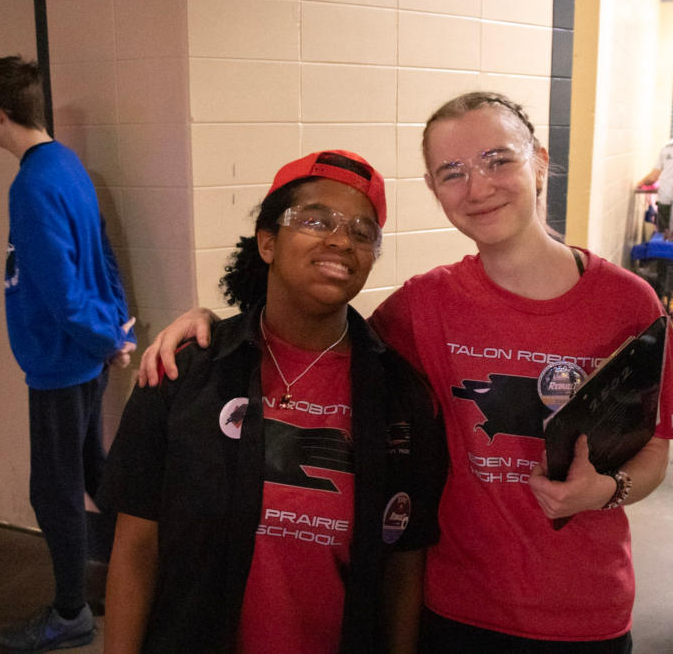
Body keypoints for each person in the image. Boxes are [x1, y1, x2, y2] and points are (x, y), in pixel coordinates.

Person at [139, 92, 673, 652]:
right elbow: (318, 329)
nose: (478, 188)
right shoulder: (422, 306)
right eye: (452, 172)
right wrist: (213, 326)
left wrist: (606, 490)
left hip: (585, 614)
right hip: (456, 609)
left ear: (539, 162)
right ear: (434, 190)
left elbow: (653, 448)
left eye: (498, 160)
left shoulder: (628, 303)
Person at [99, 150, 446, 654]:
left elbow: (402, 565)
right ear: (267, 242)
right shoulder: (187, 372)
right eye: (315, 220)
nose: (341, 240)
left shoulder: (400, 395)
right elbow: (136, 549)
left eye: (362, 231)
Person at [0, 56, 137, 652]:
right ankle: (139, 581)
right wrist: (116, 330)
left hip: (61, 363)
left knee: (54, 489)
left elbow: (64, 293)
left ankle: (71, 614)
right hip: (83, 355)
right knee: (94, 471)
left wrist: (106, 336)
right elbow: (105, 256)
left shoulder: (34, 182)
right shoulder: (65, 163)